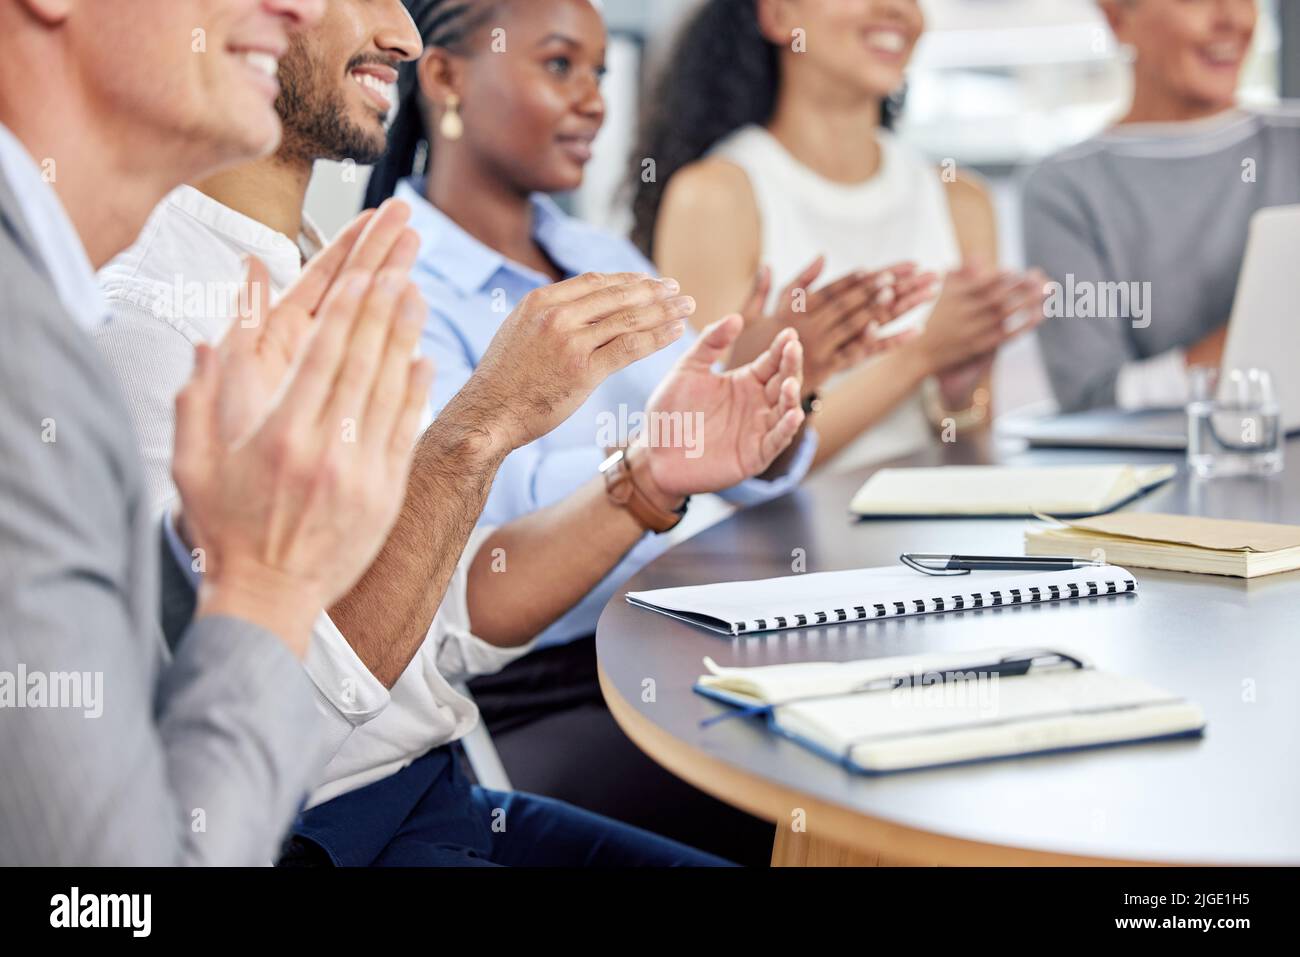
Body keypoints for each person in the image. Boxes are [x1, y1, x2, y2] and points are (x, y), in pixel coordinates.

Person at [94, 0, 795, 866]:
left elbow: (453, 604)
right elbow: (239, 727)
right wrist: (483, 422)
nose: (402, 33)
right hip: (318, 834)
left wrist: (647, 477)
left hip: (438, 793)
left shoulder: (316, 262)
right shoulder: (144, 315)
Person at [361, 0, 853, 865]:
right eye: (559, 65)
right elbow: (479, 538)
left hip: (687, 634)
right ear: (443, 76)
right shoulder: (392, 281)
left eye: (598, 71)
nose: (592, 98)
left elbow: (714, 458)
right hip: (541, 691)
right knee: (826, 792)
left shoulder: (601, 254)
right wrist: (647, 467)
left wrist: (769, 391)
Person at [0, 0, 438, 864]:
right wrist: (265, 589)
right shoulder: (31, 360)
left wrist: (211, 550)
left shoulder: (51, 312)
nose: (296, 8)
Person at [635, 0, 1047, 473]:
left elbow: (967, 434)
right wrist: (917, 359)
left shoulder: (961, 200)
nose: (897, 9)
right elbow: (710, 455)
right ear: (779, 16)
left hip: (919, 516)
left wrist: (958, 394)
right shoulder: (714, 197)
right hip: (780, 522)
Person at [1024, 0, 1300, 413]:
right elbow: (1094, 400)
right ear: (1116, 17)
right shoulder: (1066, 188)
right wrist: (1265, 334)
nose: (1233, 18)